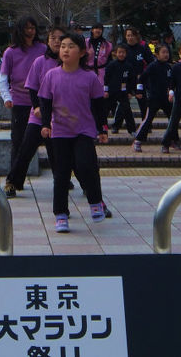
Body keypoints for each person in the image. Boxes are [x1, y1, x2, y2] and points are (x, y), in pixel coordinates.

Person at [39, 31, 109, 233]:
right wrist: (45, 124)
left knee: (86, 166)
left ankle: (95, 202)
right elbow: (45, 101)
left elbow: (98, 105)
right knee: (61, 174)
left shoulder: (89, 77)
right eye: (62, 46)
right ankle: (61, 214)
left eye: (70, 46)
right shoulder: (51, 75)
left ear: (81, 52)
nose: (65, 50)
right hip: (60, 131)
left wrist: (102, 128)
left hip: (84, 130)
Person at [4, 26, 64, 199]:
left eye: (61, 39)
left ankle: (70, 183)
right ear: (47, 41)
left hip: (59, 118)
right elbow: (32, 87)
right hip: (38, 117)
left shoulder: (67, 63)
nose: (57, 42)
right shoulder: (40, 62)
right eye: (53, 38)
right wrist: (36, 107)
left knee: (58, 154)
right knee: (25, 150)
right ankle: (12, 182)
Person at [0, 17, 47, 172]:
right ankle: (13, 179)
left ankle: (63, 179)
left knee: (52, 141)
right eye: (27, 28)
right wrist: (7, 97)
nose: (31, 31)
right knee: (18, 142)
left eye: (33, 28)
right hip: (19, 102)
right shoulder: (10, 52)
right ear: (20, 30)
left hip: (42, 103)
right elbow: (3, 77)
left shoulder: (43, 49)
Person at [133, 44, 181, 151]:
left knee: (172, 120)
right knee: (148, 119)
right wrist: (139, 90)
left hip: (166, 99)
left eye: (167, 52)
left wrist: (171, 92)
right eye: (163, 52)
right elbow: (141, 79)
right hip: (154, 98)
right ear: (157, 55)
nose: (166, 55)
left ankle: (173, 140)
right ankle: (138, 140)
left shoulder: (169, 67)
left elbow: (172, 83)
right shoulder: (152, 66)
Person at [103, 43, 137, 136]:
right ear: (115, 53)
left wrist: (131, 92)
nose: (121, 54)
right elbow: (106, 78)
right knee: (104, 111)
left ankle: (132, 130)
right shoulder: (111, 65)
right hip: (111, 92)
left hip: (123, 92)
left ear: (126, 54)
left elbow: (132, 80)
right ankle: (102, 129)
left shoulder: (128, 66)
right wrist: (105, 90)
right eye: (119, 52)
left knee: (127, 111)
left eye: (123, 52)